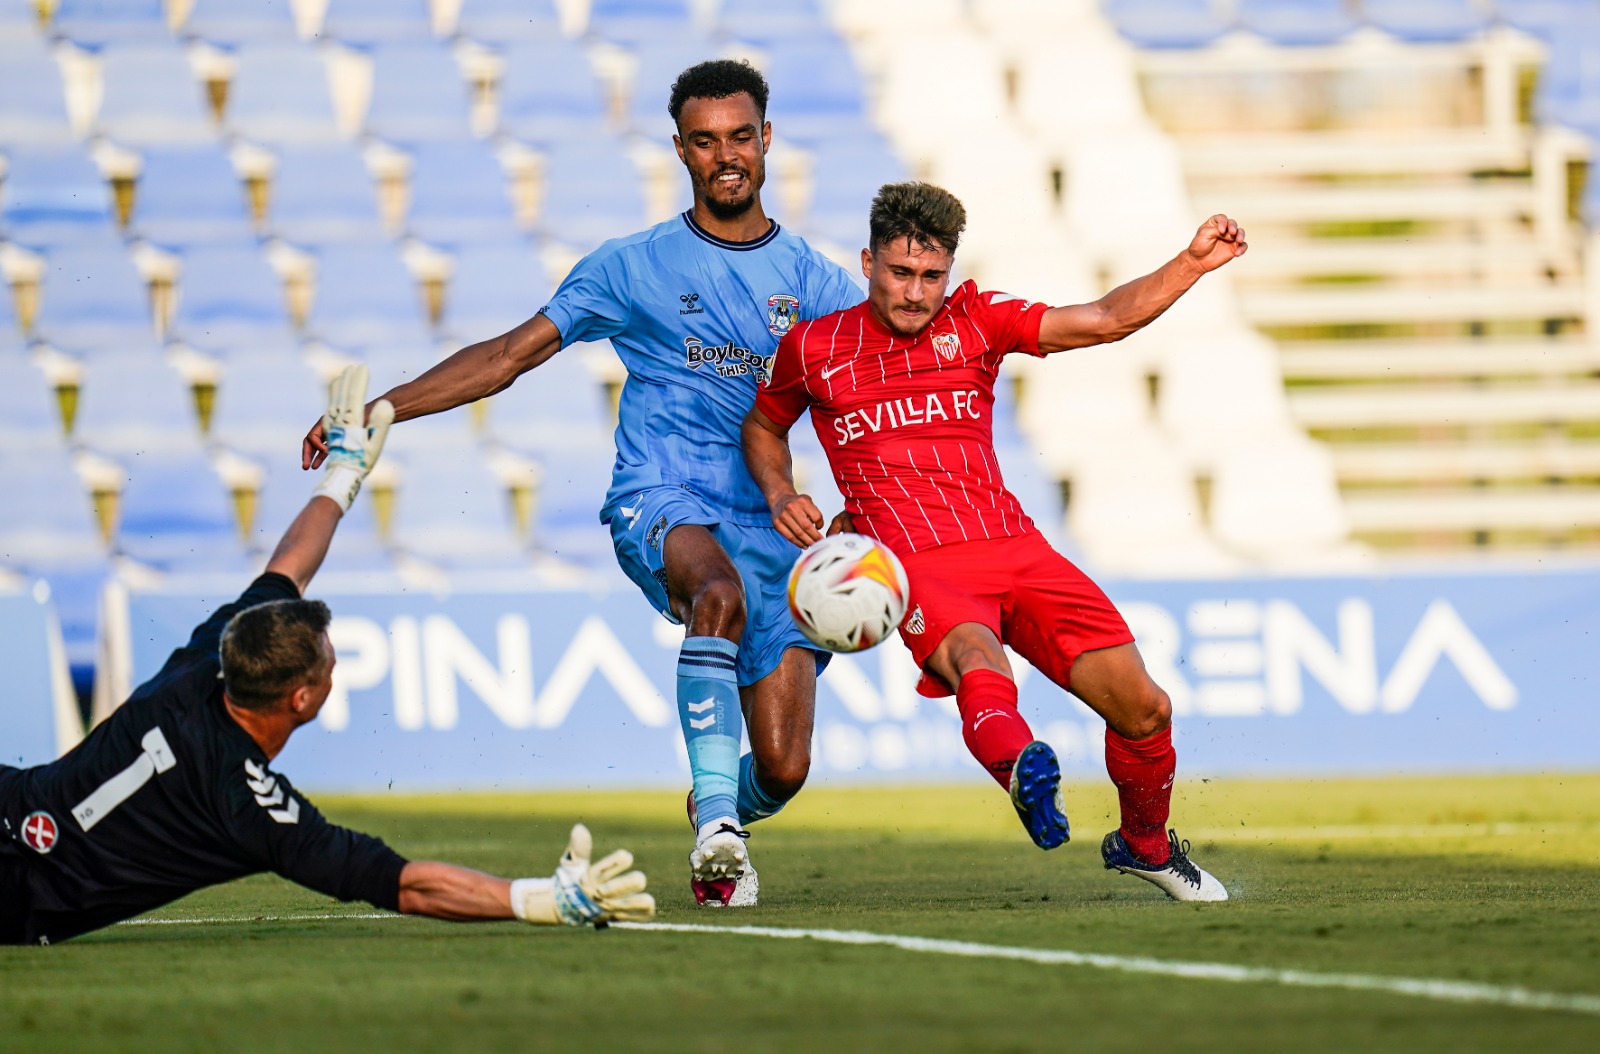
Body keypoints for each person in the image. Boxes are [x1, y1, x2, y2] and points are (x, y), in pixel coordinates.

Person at [301, 61, 863, 907]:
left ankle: (724, 805)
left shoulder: (818, 286)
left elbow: (875, 397)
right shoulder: (631, 266)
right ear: (679, 150)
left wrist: (873, 518)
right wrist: (386, 406)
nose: (726, 157)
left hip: (770, 527)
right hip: (661, 496)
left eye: (740, 137)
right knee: (713, 593)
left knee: (784, 767)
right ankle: (717, 831)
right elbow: (506, 357)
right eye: (705, 142)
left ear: (767, 140)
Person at [0, 367, 654, 945]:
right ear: (303, 697)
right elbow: (400, 884)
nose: (335, 664)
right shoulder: (245, 807)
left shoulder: (205, 661)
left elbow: (289, 568)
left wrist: (345, 474)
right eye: (330, 662)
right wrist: (537, 900)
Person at [743, 182, 1247, 902]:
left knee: (1147, 710)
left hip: (1015, 546)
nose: (916, 293)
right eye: (900, 273)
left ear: (949, 273)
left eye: (931, 276)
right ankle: (1023, 772)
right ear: (867, 262)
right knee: (980, 663)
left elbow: (1103, 319)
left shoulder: (976, 321)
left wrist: (1190, 264)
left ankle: (1145, 846)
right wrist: (782, 493)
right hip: (915, 562)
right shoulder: (814, 349)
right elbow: (763, 428)